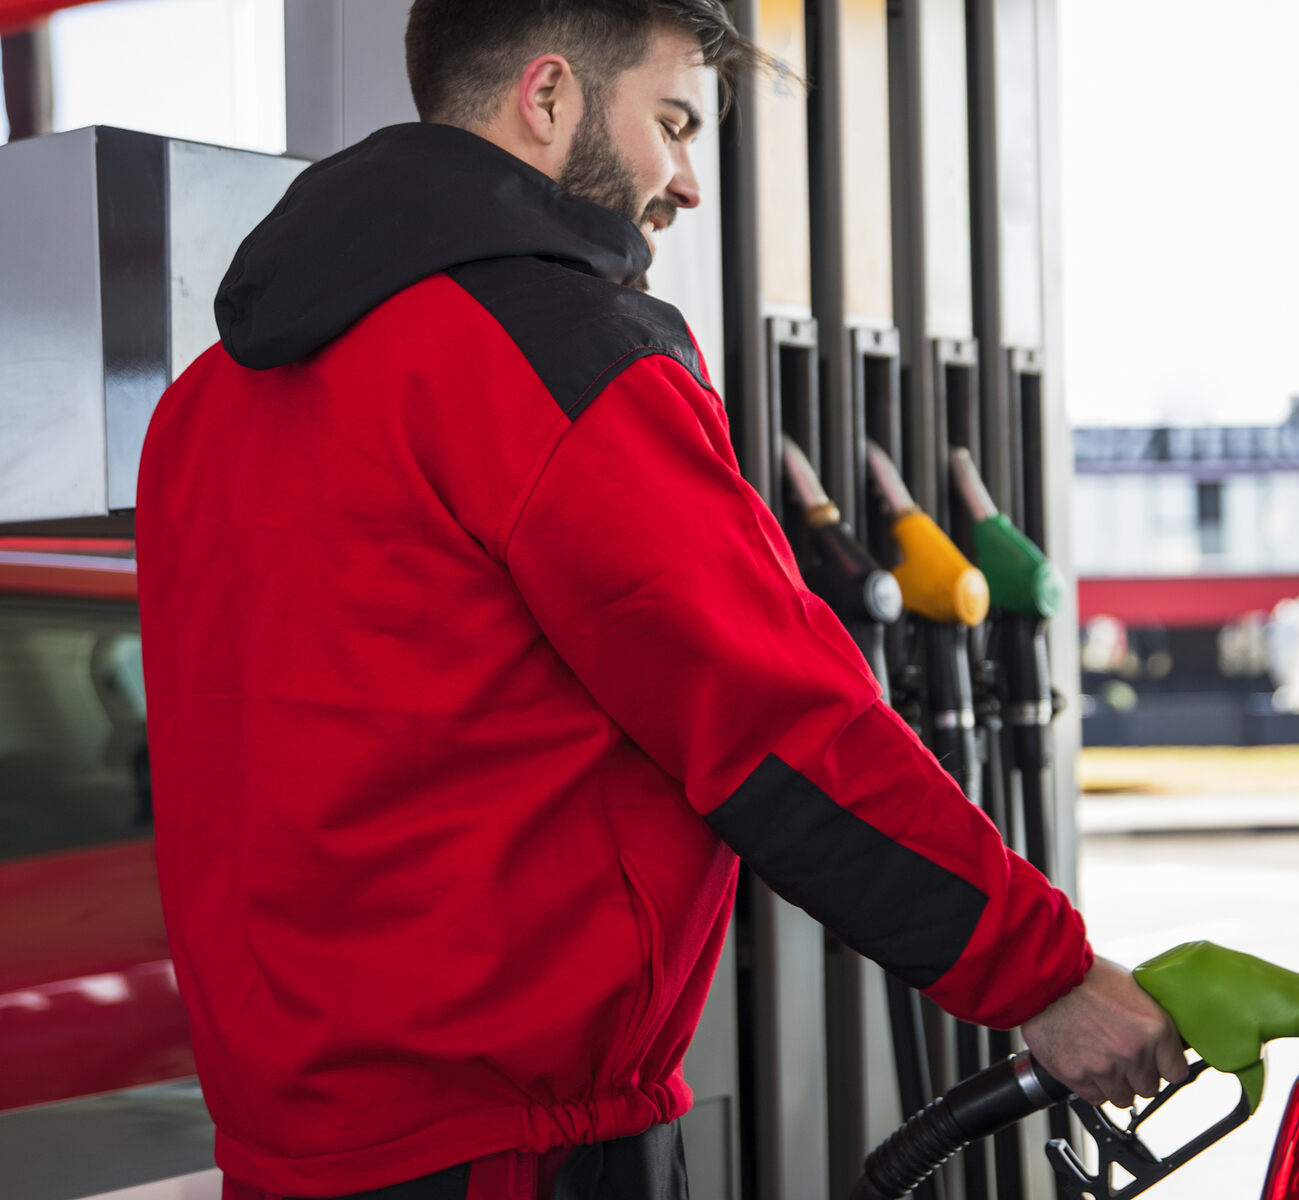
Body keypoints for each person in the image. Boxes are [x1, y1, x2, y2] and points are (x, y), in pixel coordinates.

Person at [134, 2, 1184, 1197]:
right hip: (515, 1151)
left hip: (292, 1146)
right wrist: (1041, 977)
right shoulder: (557, 357)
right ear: (548, 97)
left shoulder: (206, 403)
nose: (686, 183)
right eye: (672, 123)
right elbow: (775, 721)